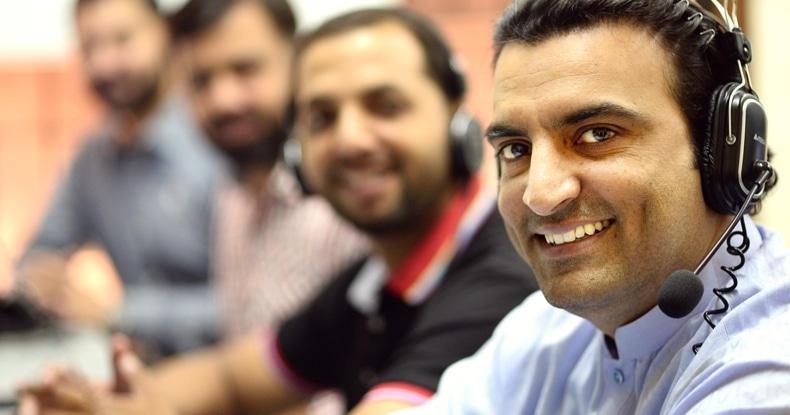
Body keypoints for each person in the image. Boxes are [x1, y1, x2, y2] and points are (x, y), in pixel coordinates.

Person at [16, 7, 539, 415]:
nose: (350, 139)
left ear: (458, 119)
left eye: (385, 106)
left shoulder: (502, 280)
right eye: (322, 117)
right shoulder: (371, 282)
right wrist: (103, 402)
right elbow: (231, 377)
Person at [395, 0, 790, 414]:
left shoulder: (767, 367)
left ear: (720, 152)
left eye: (598, 134)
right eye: (516, 149)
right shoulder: (546, 331)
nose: (540, 194)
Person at [9, 0, 227, 357]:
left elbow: (252, 304)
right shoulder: (93, 158)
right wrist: (41, 279)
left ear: (166, 34)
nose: (104, 64)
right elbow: (40, 251)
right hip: (136, 368)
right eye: (89, 47)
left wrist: (118, 313)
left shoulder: (220, 136)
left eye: (122, 40)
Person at [169, 0, 369, 340]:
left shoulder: (346, 197)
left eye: (245, 69)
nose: (223, 100)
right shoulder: (230, 194)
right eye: (201, 81)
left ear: (298, 61)